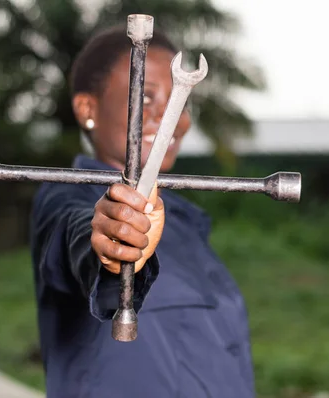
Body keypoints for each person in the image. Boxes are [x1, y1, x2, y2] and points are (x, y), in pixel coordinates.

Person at [29, 24, 255, 398]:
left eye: (182, 101)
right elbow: (79, 239)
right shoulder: (66, 199)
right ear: (88, 109)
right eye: (147, 97)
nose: (176, 120)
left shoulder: (183, 223)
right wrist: (113, 247)